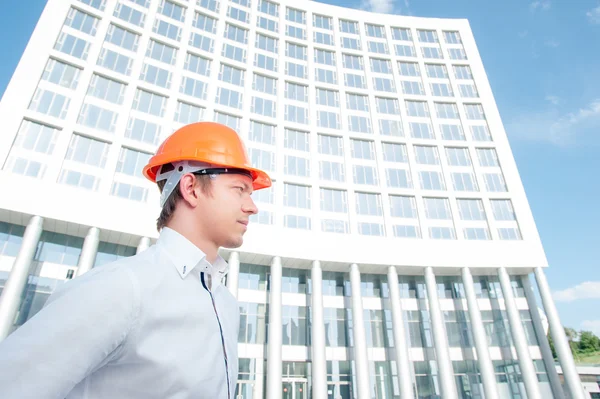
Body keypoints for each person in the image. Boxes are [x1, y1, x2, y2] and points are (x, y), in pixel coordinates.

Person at [0, 122, 272, 398]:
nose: (252, 206)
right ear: (192, 188)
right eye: (240, 189)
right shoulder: (121, 288)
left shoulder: (225, 302)